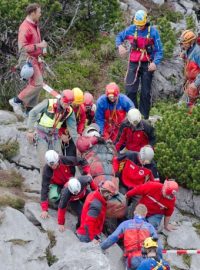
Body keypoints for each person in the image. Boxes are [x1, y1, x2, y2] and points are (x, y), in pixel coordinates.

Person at [116, 10, 163, 119]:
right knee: (130, 90)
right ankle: (133, 115)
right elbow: (119, 37)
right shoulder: (131, 29)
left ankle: (144, 117)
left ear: (146, 22)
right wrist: (120, 46)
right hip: (134, 62)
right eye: (138, 25)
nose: (140, 27)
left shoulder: (153, 32)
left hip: (147, 63)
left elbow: (159, 50)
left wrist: (155, 63)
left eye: (141, 25)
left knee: (145, 92)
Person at [9, 3, 47, 117]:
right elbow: (23, 48)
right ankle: (16, 101)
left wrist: (40, 53)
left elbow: (34, 44)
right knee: (38, 84)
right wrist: (39, 46)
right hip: (28, 59)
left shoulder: (35, 25)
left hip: (35, 59)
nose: (40, 14)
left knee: (36, 85)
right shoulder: (25, 27)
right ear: (32, 13)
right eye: (39, 12)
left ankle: (29, 111)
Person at [26, 89, 78, 170]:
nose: (67, 105)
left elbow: (73, 130)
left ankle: (57, 181)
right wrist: (30, 131)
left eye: (69, 103)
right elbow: (33, 113)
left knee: (59, 161)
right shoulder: (48, 103)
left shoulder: (69, 111)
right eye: (65, 102)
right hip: (41, 135)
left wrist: (78, 145)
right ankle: (44, 182)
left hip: (55, 136)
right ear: (61, 99)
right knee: (44, 164)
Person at [100, 204, 160, 270]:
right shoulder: (149, 226)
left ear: (134, 213)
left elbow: (113, 237)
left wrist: (102, 247)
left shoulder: (125, 224)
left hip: (131, 259)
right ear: (145, 214)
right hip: (145, 258)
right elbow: (157, 244)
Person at [40, 150, 90, 220]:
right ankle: (64, 203)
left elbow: (82, 161)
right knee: (53, 195)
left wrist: (87, 173)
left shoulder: (65, 160)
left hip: (71, 181)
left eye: (55, 163)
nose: (54, 166)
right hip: (59, 186)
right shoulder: (47, 171)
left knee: (86, 195)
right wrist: (44, 209)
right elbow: (44, 188)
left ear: (58, 160)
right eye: (51, 165)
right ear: (48, 164)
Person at [59, 87, 86, 156]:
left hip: (72, 133)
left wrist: (79, 133)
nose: (76, 105)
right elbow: (53, 123)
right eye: (75, 103)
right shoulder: (63, 107)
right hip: (59, 132)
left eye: (78, 104)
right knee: (58, 154)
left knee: (71, 155)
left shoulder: (81, 109)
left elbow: (82, 122)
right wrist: (61, 135)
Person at [179, 30, 200, 109]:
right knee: (184, 105)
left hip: (196, 84)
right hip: (190, 83)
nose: (182, 45)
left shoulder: (198, 53)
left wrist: (196, 84)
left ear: (191, 42)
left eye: (184, 43)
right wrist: (185, 57)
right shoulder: (188, 51)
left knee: (190, 106)